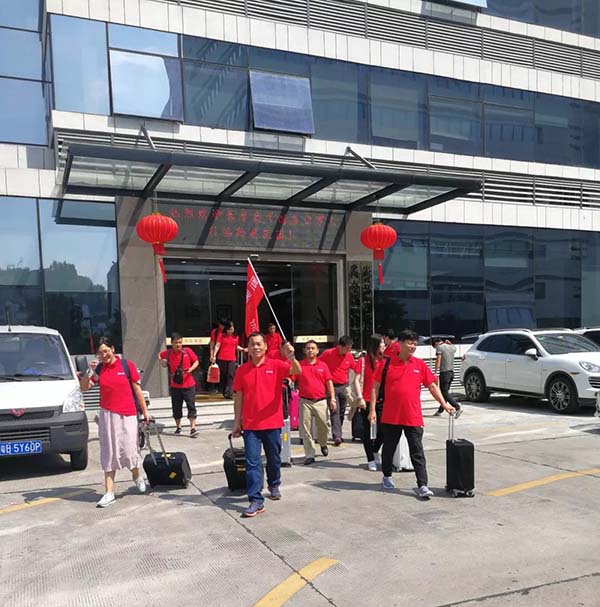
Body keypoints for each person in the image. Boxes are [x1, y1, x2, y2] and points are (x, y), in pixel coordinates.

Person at [369, 329, 455, 499]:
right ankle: (387, 477)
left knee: (417, 451)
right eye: (409, 343)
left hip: (413, 416)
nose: (413, 346)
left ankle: (422, 485)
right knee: (389, 449)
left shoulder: (419, 364)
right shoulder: (386, 363)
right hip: (391, 415)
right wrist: (372, 410)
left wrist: (444, 404)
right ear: (400, 343)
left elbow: (432, 386)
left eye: (415, 344)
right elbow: (375, 387)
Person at [232, 333, 302, 518]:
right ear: (247, 348)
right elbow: (238, 397)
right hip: (251, 425)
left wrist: (291, 356)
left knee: (274, 458)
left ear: (265, 347)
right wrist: (237, 422)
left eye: (259, 344)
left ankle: (274, 483)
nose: (255, 347)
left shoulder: (276, 365)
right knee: (252, 462)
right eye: (252, 344)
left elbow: (297, 370)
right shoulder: (242, 370)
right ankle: (255, 500)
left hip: (272, 422)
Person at [79, 337, 150, 508]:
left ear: (112, 349)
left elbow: (137, 390)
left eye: (106, 351)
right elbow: (84, 387)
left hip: (128, 414)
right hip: (108, 415)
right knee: (109, 452)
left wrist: (145, 412)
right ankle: (109, 493)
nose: (103, 355)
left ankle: (136, 475)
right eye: (100, 353)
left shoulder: (126, 365)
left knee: (130, 450)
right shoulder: (99, 369)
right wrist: (88, 372)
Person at [297, 340, 335, 465]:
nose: (310, 350)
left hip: (321, 401)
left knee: (324, 426)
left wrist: (332, 398)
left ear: (317, 351)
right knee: (305, 429)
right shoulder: (300, 365)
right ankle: (310, 454)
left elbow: (329, 382)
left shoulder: (323, 366)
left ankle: (323, 443)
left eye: (313, 348)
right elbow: (291, 377)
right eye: (308, 348)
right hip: (305, 401)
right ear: (304, 350)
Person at [319, 336, 360, 446]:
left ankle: (338, 432)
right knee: (334, 410)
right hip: (331, 386)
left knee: (341, 411)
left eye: (350, 348)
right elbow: (318, 363)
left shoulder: (349, 356)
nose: (349, 350)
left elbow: (355, 368)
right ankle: (337, 435)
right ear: (340, 346)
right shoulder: (328, 353)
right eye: (347, 348)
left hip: (344, 386)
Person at [158, 332, 200, 437]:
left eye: (180, 342)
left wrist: (191, 369)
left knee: (191, 406)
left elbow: (196, 361)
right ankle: (178, 427)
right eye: (176, 343)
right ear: (171, 343)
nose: (178, 345)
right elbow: (159, 355)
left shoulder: (187, 351)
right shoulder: (168, 353)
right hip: (175, 386)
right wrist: (162, 362)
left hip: (189, 384)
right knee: (176, 407)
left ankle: (193, 428)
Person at [354, 334, 385, 471]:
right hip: (366, 400)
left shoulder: (384, 360)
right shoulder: (363, 361)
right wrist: (359, 397)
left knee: (383, 430)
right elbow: (356, 380)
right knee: (366, 431)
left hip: (382, 400)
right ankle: (370, 459)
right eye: (382, 343)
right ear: (375, 345)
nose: (384, 346)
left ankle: (375, 449)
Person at [212, 321, 246, 399]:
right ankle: (224, 391)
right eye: (229, 329)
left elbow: (236, 346)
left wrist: (243, 349)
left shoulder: (236, 337)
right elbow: (217, 345)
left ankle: (229, 393)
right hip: (222, 358)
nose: (231, 330)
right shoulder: (221, 335)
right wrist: (214, 355)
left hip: (232, 358)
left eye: (232, 329)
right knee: (223, 375)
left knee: (230, 375)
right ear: (226, 329)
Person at [432, 337, 462, 418]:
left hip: (444, 373)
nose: (436, 348)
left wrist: (435, 372)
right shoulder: (451, 347)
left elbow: (438, 360)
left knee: (444, 393)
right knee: (445, 393)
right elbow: (455, 349)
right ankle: (439, 411)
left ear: (436, 343)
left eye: (434, 347)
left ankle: (457, 407)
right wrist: (450, 344)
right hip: (451, 372)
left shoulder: (439, 347)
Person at [208, 319, 225, 393]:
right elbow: (212, 343)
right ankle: (212, 387)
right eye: (222, 325)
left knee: (222, 372)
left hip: (224, 353)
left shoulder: (226, 332)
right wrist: (212, 354)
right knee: (213, 371)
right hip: (216, 353)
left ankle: (221, 388)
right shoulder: (215, 332)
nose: (222, 326)